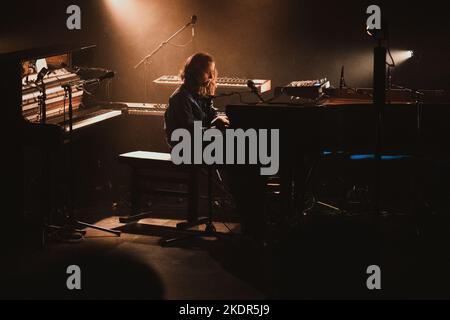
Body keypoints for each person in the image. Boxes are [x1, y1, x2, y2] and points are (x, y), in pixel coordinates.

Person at [164, 53, 267, 243]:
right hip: (185, 149)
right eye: (208, 73)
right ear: (195, 72)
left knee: (250, 153)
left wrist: (222, 121)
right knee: (242, 158)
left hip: (200, 145)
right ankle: (248, 214)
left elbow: (212, 117)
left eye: (212, 73)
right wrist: (214, 126)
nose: (211, 77)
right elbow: (186, 133)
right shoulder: (180, 98)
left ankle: (253, 213)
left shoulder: (198, 95)